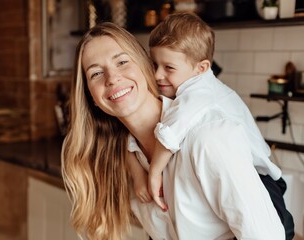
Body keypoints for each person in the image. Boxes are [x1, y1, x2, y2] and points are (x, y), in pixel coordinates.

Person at [61, 21, 285, 240]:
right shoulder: (124, 162)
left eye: (122, 62)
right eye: (96, 74)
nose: (112, 78)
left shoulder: (209, 138)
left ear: (146, 66)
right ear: (92, 98)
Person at [146, 11, 294, 239]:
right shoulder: (205, 88)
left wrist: (154, 173)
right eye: (154, 64)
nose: (157, 75)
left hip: (262, 184)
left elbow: (170, 134)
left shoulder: (198, 92)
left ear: (202, 68)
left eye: (168, 68)